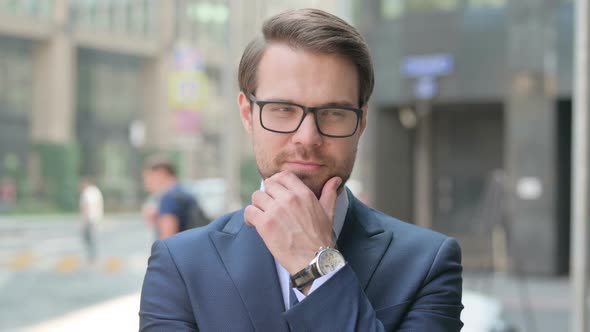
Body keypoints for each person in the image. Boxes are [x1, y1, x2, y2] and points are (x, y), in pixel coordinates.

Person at [140, 8, 463, 331]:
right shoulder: (180, 264)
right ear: (247, 114)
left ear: (362, 121)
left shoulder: (428, 263)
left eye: (334, 112)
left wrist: (318, 267)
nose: (307, 138)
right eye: (283, 109)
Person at [142, 158, 203, 239]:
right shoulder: (182, 192)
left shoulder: (169, 198)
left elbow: (167, 239)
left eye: (148, 178)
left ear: (161, 173)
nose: (146, 184)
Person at [79, 178, 104, 263]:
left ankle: (91, 256)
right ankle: (93, 255)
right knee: (92, 237)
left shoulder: (87, 192)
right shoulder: (96, 191)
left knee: (88, 237)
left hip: (90, 219)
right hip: (96, 217)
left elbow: (86, 206)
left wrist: (84, 220)